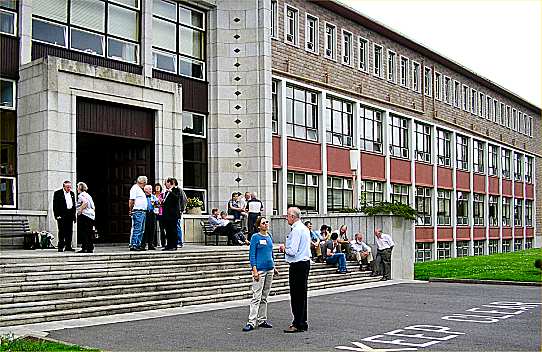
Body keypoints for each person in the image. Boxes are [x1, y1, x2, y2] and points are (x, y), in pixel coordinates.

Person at [242, 216, 279, 332]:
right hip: (260, 270)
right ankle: (251, 321)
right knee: (256, 296)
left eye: (267, 222)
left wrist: (274, 266)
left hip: (270, 269)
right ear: (259, 226)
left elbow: (271, 253)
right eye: (263, 223)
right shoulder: (255, 237)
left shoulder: (269, 236)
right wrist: (254, 270)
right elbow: (252, 254)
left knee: (265, 296)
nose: (266, 224)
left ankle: (262, 319)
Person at [279, 207, 311, 333]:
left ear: (293, 216)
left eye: (288, 215)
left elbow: (293, 251)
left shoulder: (297, 230)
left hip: (297, 264)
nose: (287, 218)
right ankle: (302, 321)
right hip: (304, 263)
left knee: (296, 295)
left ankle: (297, 322)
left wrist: (283, 249)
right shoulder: (304, 228)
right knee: (302, 294)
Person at [53, 180, 76, 252]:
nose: (69, 188)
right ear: (64, 187)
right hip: (62, 214)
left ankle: (68, 246)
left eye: (70, 187)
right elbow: (55, 205)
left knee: (69, 231)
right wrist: (57, 215)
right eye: (67, 187)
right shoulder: (58, 193)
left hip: (70, 214)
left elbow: (73, 205)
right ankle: (61, 246)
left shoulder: (72, 193)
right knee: (62, 231)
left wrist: (74, 216)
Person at [128, 176, 148, 251]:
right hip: (138, 211)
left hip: (142, 211)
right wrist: (130, 210)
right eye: (145, 183)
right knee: (137, 229)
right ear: (142, 182)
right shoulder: (134, 188)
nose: (145, 184)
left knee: (141, 229)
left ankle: (138, 244)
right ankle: (134, 245)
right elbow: (131, 200)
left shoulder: (140, 189)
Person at [75, 182, 95, 253]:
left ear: (80, 188)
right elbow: (93, 206)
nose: (77, 188)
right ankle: (90, 247)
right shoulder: (88, 195)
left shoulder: (81, 195)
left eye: (77, 187)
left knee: (84, 232)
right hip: (91, 215)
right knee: (89, 232)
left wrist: (80, 211)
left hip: (84, 215)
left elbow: (85, 202)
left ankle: (84, 248)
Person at [161, 178, 180, 251]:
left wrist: (171, 192)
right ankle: (168, 245)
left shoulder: (176, 190)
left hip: (173, 215)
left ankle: (174, 245)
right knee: (168, 231)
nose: (165, 184)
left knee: (173, 230)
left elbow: (177, 199)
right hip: (166, 214)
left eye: (166, 183)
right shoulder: (166, 192)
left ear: (170, 183)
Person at [171, 178, 188, 248]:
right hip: (172, 212)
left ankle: (179, 242)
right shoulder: (172, 190)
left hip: (177, 212)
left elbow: (184, 200)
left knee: (177, 226)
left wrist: (181, 209)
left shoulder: (179, 190)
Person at [141, 185, 159, 250]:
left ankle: (151, 245)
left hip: (152, 213)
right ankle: (143, 245)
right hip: (145, 213)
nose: (151, 190)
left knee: (152, 229)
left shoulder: (153, 196)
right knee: (145, 229)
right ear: (145, 190)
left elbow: (158, 204)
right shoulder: (142, 196)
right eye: (150, 189)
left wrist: (156, 203)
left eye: (151, 189)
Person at [154, 183, 165, 248]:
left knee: (162, 229)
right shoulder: (153, 195)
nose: (157, 188)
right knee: (154, 229)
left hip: (161, 213)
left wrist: (160, 203)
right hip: (154, 213)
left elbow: (164, 202)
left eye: (158, 187)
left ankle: (163, 243)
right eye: (156, 187)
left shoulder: (163, 195)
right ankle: (154, 243)